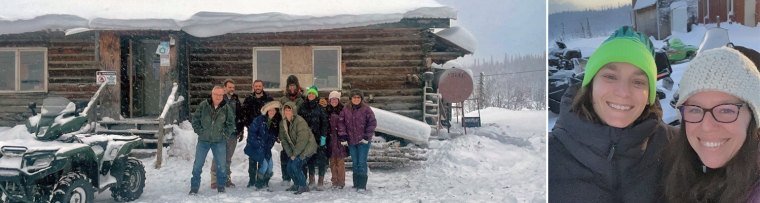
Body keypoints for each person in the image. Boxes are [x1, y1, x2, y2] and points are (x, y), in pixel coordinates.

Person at [548, 26, 673, 202]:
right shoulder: (548, 159)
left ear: (649, 96)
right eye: (610, 77)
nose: (623, 92)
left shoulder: (675, 146)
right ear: (591, 85)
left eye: (638, 81)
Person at [664, 47, 760, 202]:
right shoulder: (681, 169)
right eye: (695, 110)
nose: (707, 126)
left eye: (726, 110)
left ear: (753, 117)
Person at [189, 86, 236, 194]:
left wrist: (224, 135)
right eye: (216, 94)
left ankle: (221, 187)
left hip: (219, 141)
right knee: (198, 165)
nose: (218, 97)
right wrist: (201, 132)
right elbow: (195, 119)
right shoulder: (203, 105)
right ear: (212, 94)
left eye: (220, 95)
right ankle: (194, 188)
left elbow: (231, 123)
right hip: (203, 141)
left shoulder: (226, 107)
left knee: (221, 166)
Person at [338, 89, 377, 193]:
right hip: (351, 141)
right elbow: (341, 123)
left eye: (358, 97)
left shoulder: (366, 109)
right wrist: (343, 136)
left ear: (361, 99)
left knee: (361, 162)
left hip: (363, 141)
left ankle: (362, 185)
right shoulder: (346, 109)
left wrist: (366, 136)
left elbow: (372, 123)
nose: (356, 99)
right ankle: (356, 184)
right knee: (355, 163)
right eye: (354, 97)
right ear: (351, 99)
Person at [240, 79, 274, 187]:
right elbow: (243, 113)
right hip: (253, 132)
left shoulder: (269, 99)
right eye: (256, 86)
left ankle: (263, 179)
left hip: (265, 132)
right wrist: (249, 125)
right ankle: (252, 180)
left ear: (263, 87)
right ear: (253, 87)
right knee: (253, 156)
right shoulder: (249, 99)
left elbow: (274, 115)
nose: (258, 88)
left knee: (264, 155)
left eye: (259, 86)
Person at [280, 102, 318, 194]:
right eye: (286, 110)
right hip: (296, 150)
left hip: (307, 148)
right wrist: (290, 154)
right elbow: (284, 140)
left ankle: (303, 186)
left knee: (295, 165)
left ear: (293, 111)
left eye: (289, 110)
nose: (287, 112)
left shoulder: (300, 121)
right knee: (289, 167)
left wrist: (295, 154)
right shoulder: (283, 123)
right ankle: (297, 184)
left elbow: (303, 140)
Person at [210, 79, 242, 189]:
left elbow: (239, 115)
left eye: (233, 87)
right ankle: (214, 180)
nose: (232, 89)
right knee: (217, 156)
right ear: (224, 88)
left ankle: (226, 178)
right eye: (229, 87)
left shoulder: (235, 100)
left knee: (228, 157)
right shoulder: (218, 99)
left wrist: (239, 130)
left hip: (232, 134)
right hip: (220, 134)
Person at [244, 101, 281, 191]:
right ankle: (257, 183)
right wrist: (259, 145)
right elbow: (252, 134)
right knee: (263, 165)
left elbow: (273, 138)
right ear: (267, 111)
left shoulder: (275, 123)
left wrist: (267, 146)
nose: (272, 112)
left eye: (274, 110)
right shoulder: (259, 120)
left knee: (270, 165)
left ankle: (265, 181)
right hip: (254, 147)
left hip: (266, 148)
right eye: (270, 110)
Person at [298, 85, 330, 191]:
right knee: (310, 159)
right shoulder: (302, 107)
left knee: (321, 159)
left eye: (313, 94)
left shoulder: (320, 108)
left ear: (316, 96)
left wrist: (323, 137)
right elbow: (299, 121)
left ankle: (320, 180)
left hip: (318, 137)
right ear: (308, 95)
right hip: (307, 138)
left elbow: (325, 123)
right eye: (310, 93)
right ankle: (311, 179)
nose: (311, 95)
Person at [277, 75, 305, 186]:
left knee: (299, 153)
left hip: (298, 130)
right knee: (286, 153)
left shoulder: (302, 99)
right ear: (287, 87)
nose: (292, 88)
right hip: (286, 130)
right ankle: (286, 177)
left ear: (297, 87)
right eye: (290, 86)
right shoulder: (283, 100)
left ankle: (299, 176)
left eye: (294, 86)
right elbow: (279, 116)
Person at [326, 90, 348, 189]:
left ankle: (341, 181)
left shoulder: (343, 110)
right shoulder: (326, 110)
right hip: (330, 139)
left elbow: (347, 124)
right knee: (332, 161)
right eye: (332, 99)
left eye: (335, 99)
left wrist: (344, 136)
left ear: (338, 100)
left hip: (340, 138)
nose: (334, 101)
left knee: (340, 161)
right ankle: (334, 181)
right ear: (330, 100)